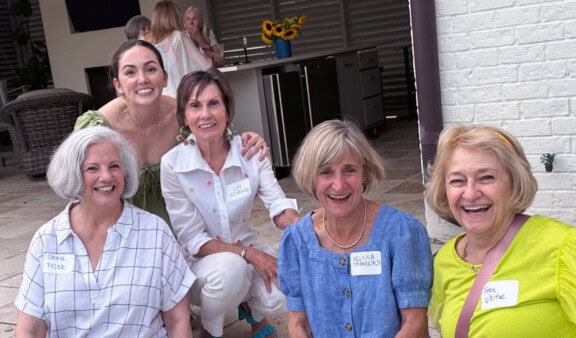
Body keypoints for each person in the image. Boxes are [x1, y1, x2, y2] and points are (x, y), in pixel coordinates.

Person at [14, 126, 196, 337]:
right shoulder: (46, 240)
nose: (106, 176)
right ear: (73, 174)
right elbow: (30, 328)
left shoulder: (155, 232)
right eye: (92, 168)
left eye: (114, 166)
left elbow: (177, 320)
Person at [161, 68, 301, 338]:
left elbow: (278, 204)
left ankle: (254, 311)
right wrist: (250, 255)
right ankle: (210, 330)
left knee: (291, 286)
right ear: (184, 115)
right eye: (195, 106)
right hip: (201, 266)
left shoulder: (250, 152)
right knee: (231, 270)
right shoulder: (173, 164)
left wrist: (306, 227)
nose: (205, 114)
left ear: (227, 108)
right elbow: (192, 239)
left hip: (245, 247)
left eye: (214, 103)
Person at [425, 124, 576, 337]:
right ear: (444, 189)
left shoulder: (566, 250)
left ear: (514, 183)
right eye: (457, 181)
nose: (470, 193)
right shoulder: (445, 260)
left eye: (486, 177)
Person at [74, 39, 267, 225]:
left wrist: (249, 141)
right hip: (123, 225)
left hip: (186, 224)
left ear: (164, 77)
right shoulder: (97, 128)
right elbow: (82, 187)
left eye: (151, 69)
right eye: (130, 72)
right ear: (118, 85)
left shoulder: (185, 116)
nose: (142, 79)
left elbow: (219, 144)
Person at [278, 119, 433, 337]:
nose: (339, 185)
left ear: (364, 173)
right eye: (326, 172)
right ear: (311, 176)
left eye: (349, 170)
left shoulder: (401, 233)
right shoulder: (296, 241)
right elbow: (298, 323)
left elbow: (415, 322)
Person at [144, 0, 212, 98]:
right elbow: (206, 64)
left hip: (153, 98)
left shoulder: (143, 40)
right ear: (175, 17)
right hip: (176, 97)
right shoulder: (178, 37)